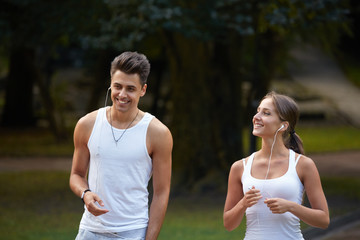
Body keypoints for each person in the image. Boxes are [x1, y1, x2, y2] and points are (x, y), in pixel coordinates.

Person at [70, 51, 173, 240]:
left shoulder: (158, 133)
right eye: (117, 86)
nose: (122, 94)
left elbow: (161, 192)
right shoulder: (87, 124)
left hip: (132, 232)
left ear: (143, 90)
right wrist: (85, 193)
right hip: (89, 232)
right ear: (110, 84)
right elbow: (76, 175)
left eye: (130, 89)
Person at [223, 91, 329, 239]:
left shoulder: (303, 165)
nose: (256, 117)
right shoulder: (239, 167)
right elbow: (228, 224)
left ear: (283, 125)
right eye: (258, 111)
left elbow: (323, 220)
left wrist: (290, 206)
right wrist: (243, 204)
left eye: (266, 113)